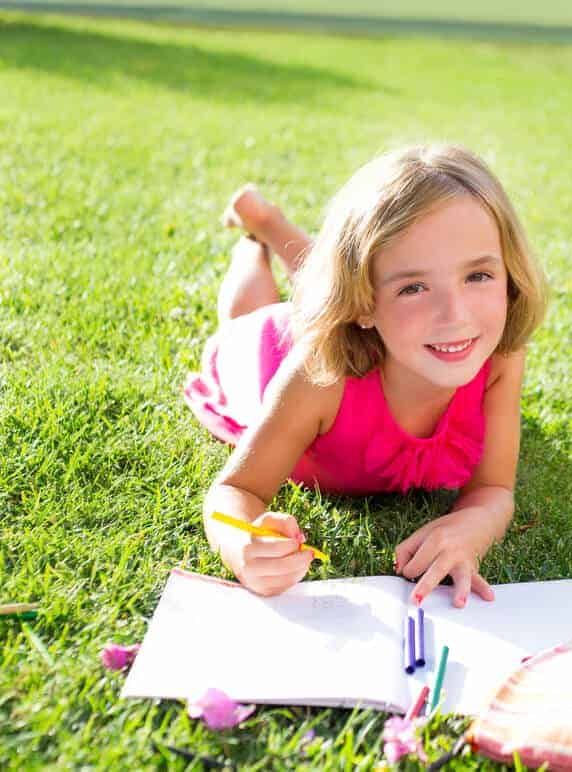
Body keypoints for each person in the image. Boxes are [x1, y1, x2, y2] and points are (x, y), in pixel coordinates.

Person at [184, 144, 548, 608]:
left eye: (477, 276)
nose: (455, 315)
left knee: (338, 279)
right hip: (269, 354)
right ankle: (255, 242)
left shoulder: (499, 354)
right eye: (413, 287)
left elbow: (494, 488)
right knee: (248, 316)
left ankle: (270, 221)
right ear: (363, 305)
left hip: (358, 309)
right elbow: (235, 491)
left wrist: (472, 526)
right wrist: (243, 545)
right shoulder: (318, 379)